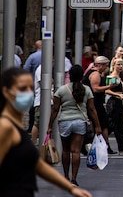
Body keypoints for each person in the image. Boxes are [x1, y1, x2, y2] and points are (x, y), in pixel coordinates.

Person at [0, 67, 93, 197]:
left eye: (30, 88)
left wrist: (70, 188)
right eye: (22, 89)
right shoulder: (5, 127)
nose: (28, 93)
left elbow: (38, 165)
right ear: (6, 91)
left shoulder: (15, 124)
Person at [48, 65, 102, 187]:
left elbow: (55, 110)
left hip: (65, 122)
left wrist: (49, 126)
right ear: (82, 76)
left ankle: (66, 177)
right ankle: (74, 179)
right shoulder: (87, 90)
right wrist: (97, 126)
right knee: (76, 151)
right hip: (80, 122)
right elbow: (92, 109)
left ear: (70, 76)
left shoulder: (61, 90)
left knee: (66, 150)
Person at [105, 57, 123, 154]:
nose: (120, 66)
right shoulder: (112, 77)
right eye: (118, 64)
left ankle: (121, 147)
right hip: (113, 104)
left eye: (121, 64)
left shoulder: (118, 77)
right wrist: (119, 95)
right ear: (114, 65)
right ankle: (113, 146)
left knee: (120, 126)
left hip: (119, 103)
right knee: (112, 125)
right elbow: (108, 90)